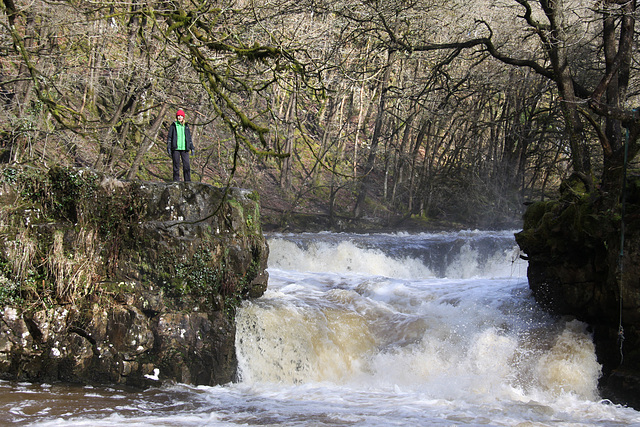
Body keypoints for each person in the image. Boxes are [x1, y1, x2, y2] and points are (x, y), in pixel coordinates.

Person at [166, 109, 195, 182]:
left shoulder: (186, 126)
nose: (179, 117)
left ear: (183, 117)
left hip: (185, 148)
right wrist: (169, 147)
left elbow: (189, 138)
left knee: (187, 166)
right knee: (176, 166)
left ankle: (187, 182)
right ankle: (176, 182)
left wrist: (192, 148)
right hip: (175, 148)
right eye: (178, 116)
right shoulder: (173, 125)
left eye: (181, 116)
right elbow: (169, 137)